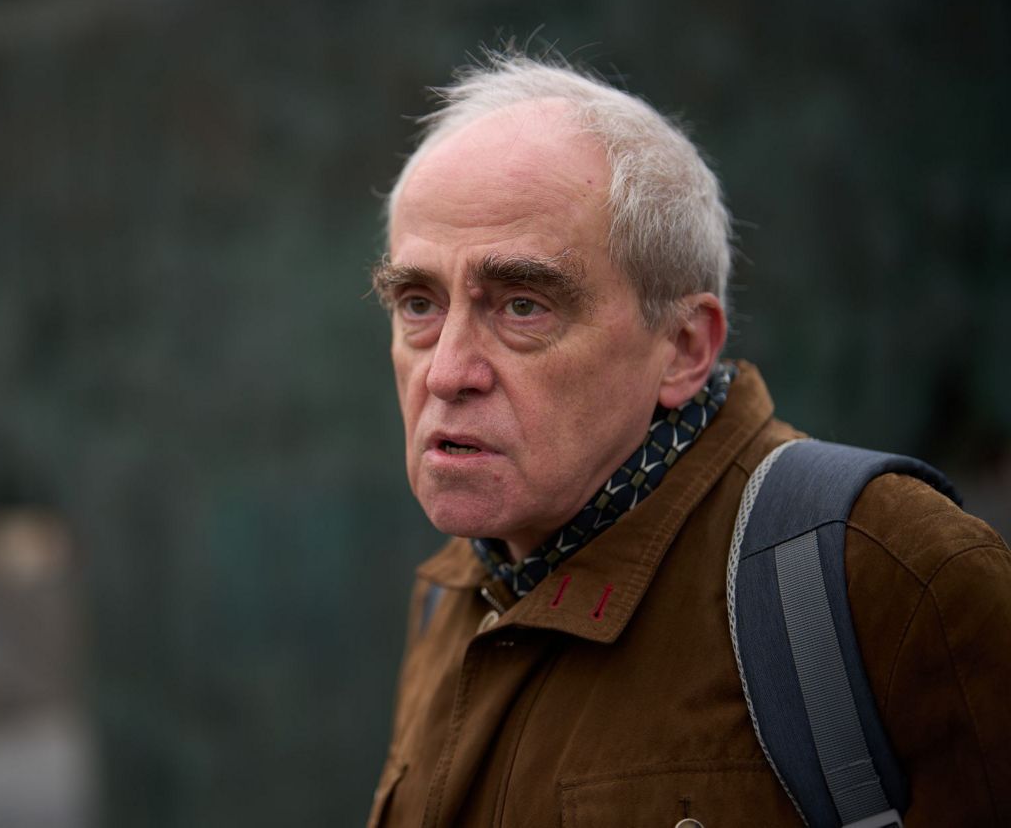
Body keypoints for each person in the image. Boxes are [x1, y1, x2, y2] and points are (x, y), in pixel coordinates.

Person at [366, 53, 1011, 827]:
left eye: (522, 306)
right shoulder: (456, 592)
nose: (446, 373)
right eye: (418, 303)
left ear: (682, 346)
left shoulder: (891, 569)